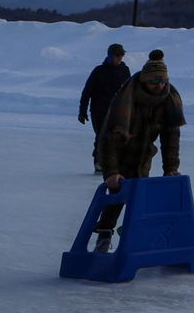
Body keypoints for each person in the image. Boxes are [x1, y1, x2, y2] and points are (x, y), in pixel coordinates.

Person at [94, 49, 185, 251]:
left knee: (140, 197)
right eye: (154, 82)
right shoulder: (126, 98)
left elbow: (171, 138)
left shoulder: (169, 99)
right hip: (119, 152)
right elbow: (108, 139)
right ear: (145, 80)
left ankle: (132, 233)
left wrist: (171, 167)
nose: (159, 86)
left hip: (143, 154)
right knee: (116, 196)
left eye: (163, 81)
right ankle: (104, 234)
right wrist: (111, 172)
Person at [78, 43, 131, 173]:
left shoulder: (125, 70)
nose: (120, 58)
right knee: (102, 135)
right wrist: (82, 111)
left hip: (118, 110)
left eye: (121, 55)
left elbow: (129, 92)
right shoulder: (99, 71)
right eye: (117, 55)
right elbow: (87, 92)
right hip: (99, 111)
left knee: (117, 137)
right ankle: (99, 161)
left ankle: (114, 161)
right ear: (110, 56)